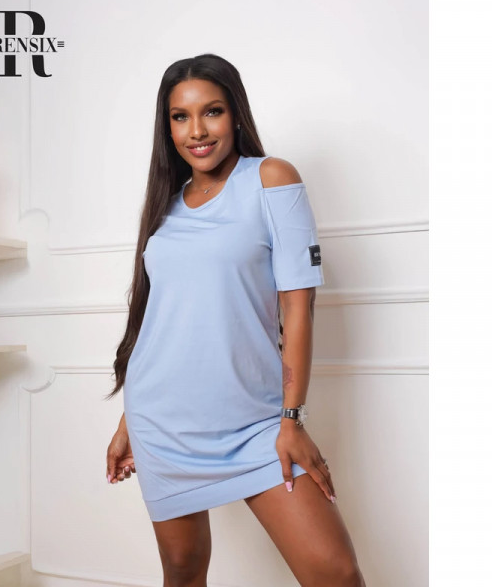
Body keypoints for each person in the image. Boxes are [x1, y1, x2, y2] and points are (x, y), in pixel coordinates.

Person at [105, 53, 365, 587]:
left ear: (236, 113)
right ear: (167, 127)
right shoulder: (165, 205)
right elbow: (159, 317)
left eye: (212, 111)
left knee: (335, 574)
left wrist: (291, 420)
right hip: (162, 422)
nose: (197, 131)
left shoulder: (271, 179)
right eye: (180, 117)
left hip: (257, 423)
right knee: (183, 572)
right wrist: (128, 421)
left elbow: (298, 307)